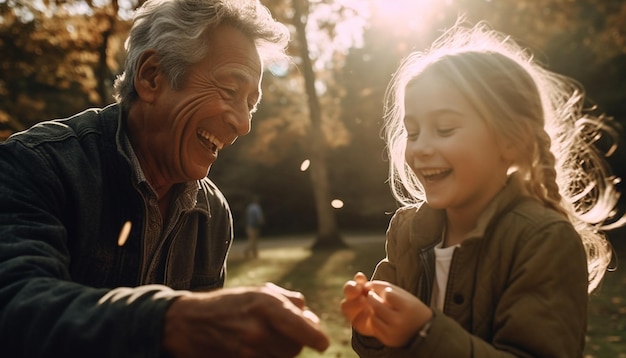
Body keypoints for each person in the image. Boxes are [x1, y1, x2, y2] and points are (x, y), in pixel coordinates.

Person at [0, 0, 330, 357]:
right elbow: (14, 304)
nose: (243, 124)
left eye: (250, 104)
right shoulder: (37, 165)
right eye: (230, 91)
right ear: (151, 76)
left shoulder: (213, 213)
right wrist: (172, 320)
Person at [341, 21, 621, 357]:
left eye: (444, 129)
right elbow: (376, 350)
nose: (420, 148)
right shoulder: (409, 231)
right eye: (412, 132)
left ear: (511, 140)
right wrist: (371, 327)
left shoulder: (542, 240)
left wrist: (424, 332)